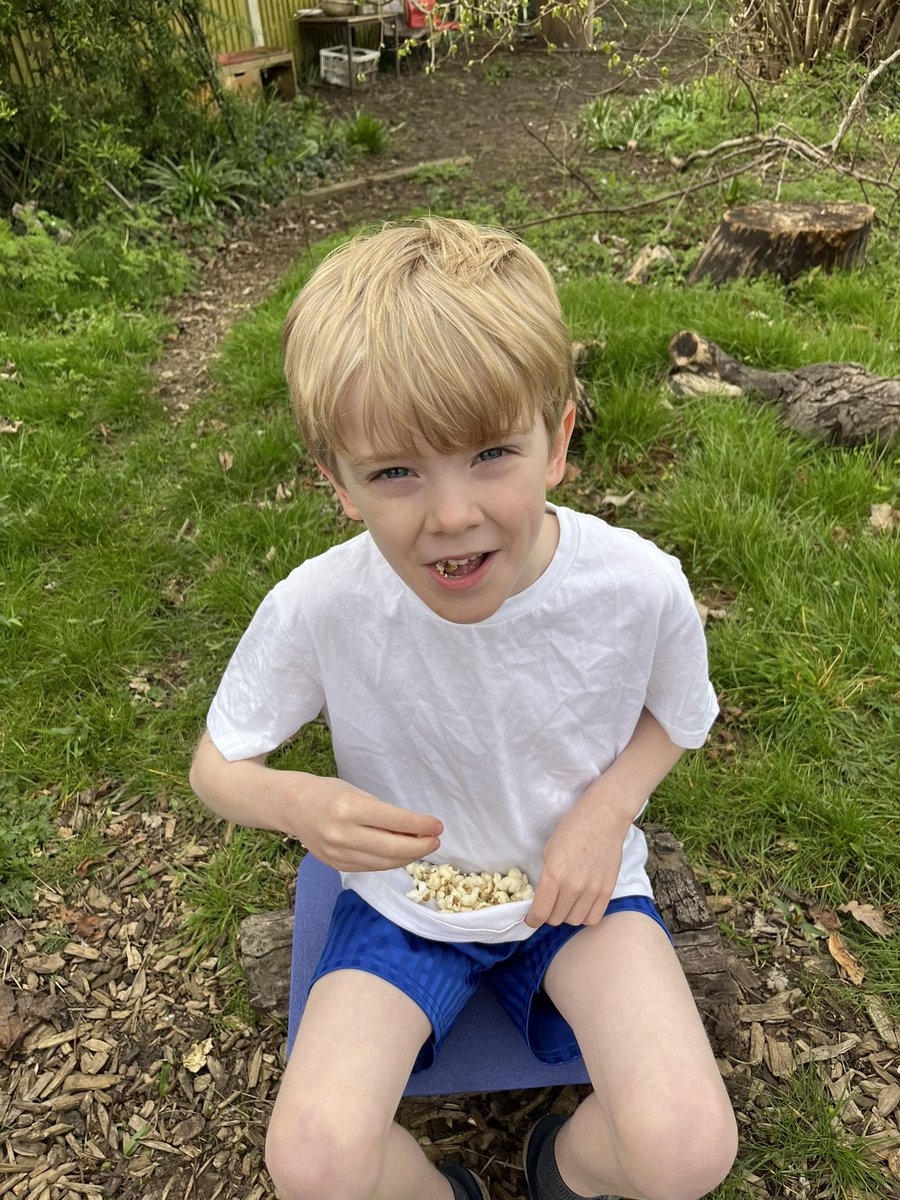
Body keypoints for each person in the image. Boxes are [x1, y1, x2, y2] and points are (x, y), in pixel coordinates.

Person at [189, 217, 738, 1200]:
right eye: (396, 472)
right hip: (409, 900)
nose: (451, 515)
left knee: (688, 1146)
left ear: (559, 438)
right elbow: (216, 767)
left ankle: (560, 1167)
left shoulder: (636, 586)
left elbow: (681, 715)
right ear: (338, 482)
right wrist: (299, 808)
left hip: (578, 894)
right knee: (311, 1161)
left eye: (492, 453)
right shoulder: (322, 607)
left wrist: (608, 811)